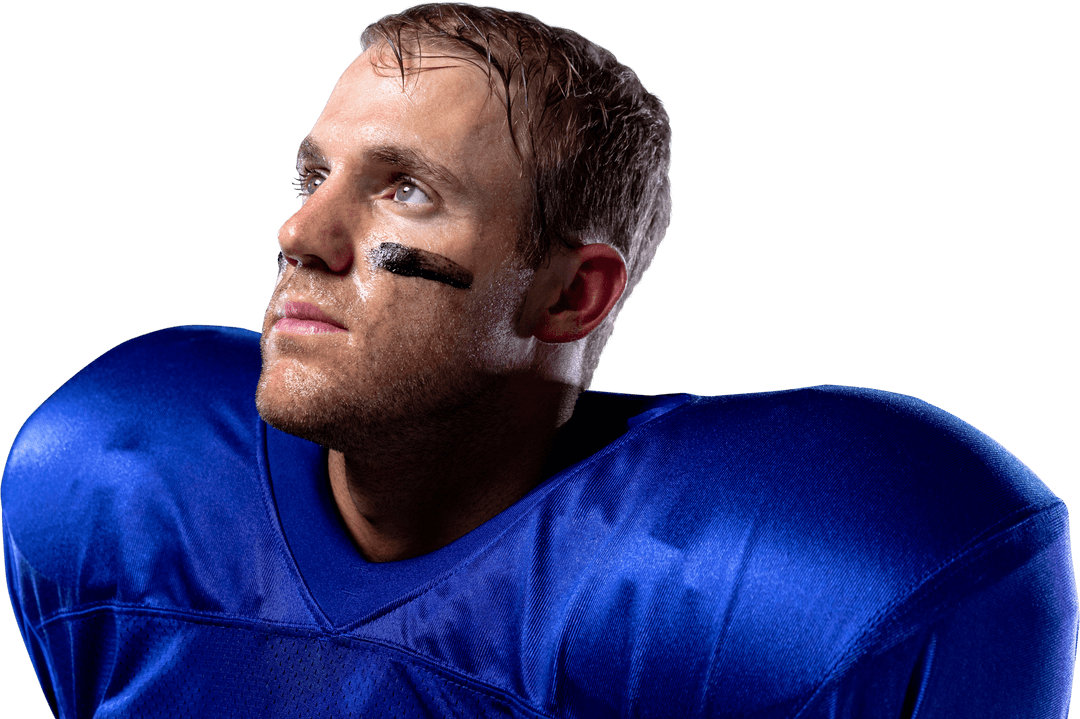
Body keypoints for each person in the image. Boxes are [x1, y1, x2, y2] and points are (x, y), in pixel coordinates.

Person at [3, 3, 1075, 717]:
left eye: (403, 189)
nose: (303, 235)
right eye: (311, 175)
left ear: (573, 293)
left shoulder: (781, 577)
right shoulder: (114, 475)